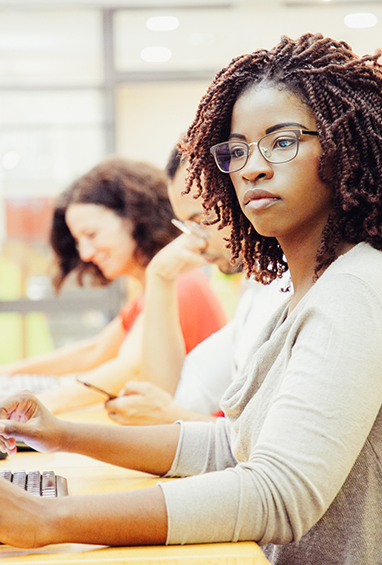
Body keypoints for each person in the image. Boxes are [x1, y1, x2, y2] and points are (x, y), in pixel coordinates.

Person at [0, 34, 382, 563]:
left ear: (346, 149)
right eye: (237, 150)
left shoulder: (358, 295)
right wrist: (63, 433)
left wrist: (51, 519)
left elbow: (277, 495)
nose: (253, 169)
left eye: (283, 141)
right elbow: (231, 445)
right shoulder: (307, 290)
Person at [0, 157, 227, 414]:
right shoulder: (151, 290)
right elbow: (94, 351)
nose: (85, 254)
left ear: (135, 218)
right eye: (79, 241)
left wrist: (28, 407)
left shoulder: (178, 283)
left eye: (91, 235)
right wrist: (0, 374)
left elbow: (129, 368)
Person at [106, 146, 289, 424]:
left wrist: (172, 415)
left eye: (200, 221)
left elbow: (276, 443)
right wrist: (160, 276)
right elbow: (171, 397)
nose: (197, 242)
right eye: (188, 227)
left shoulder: (292, 289)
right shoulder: (258, 291)